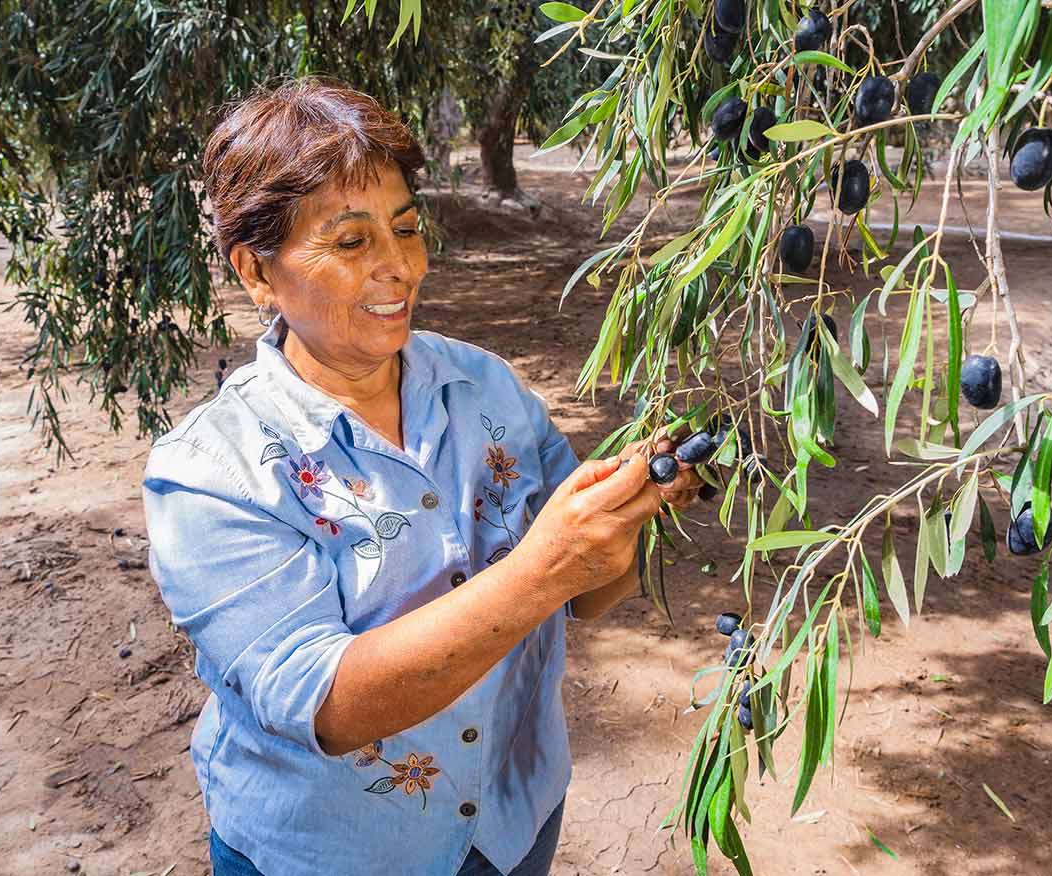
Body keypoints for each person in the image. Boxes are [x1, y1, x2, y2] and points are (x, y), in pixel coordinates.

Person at [141, 76, 703, 876]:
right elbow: (328, 706)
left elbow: (588, 593)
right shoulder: (209, 473)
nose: (398, 268)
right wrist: (547, 565)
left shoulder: (486, 388)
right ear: (256, 273)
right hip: (334, 854)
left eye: (406, 230)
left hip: (513, 819)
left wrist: (626, 521)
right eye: (350, 242)